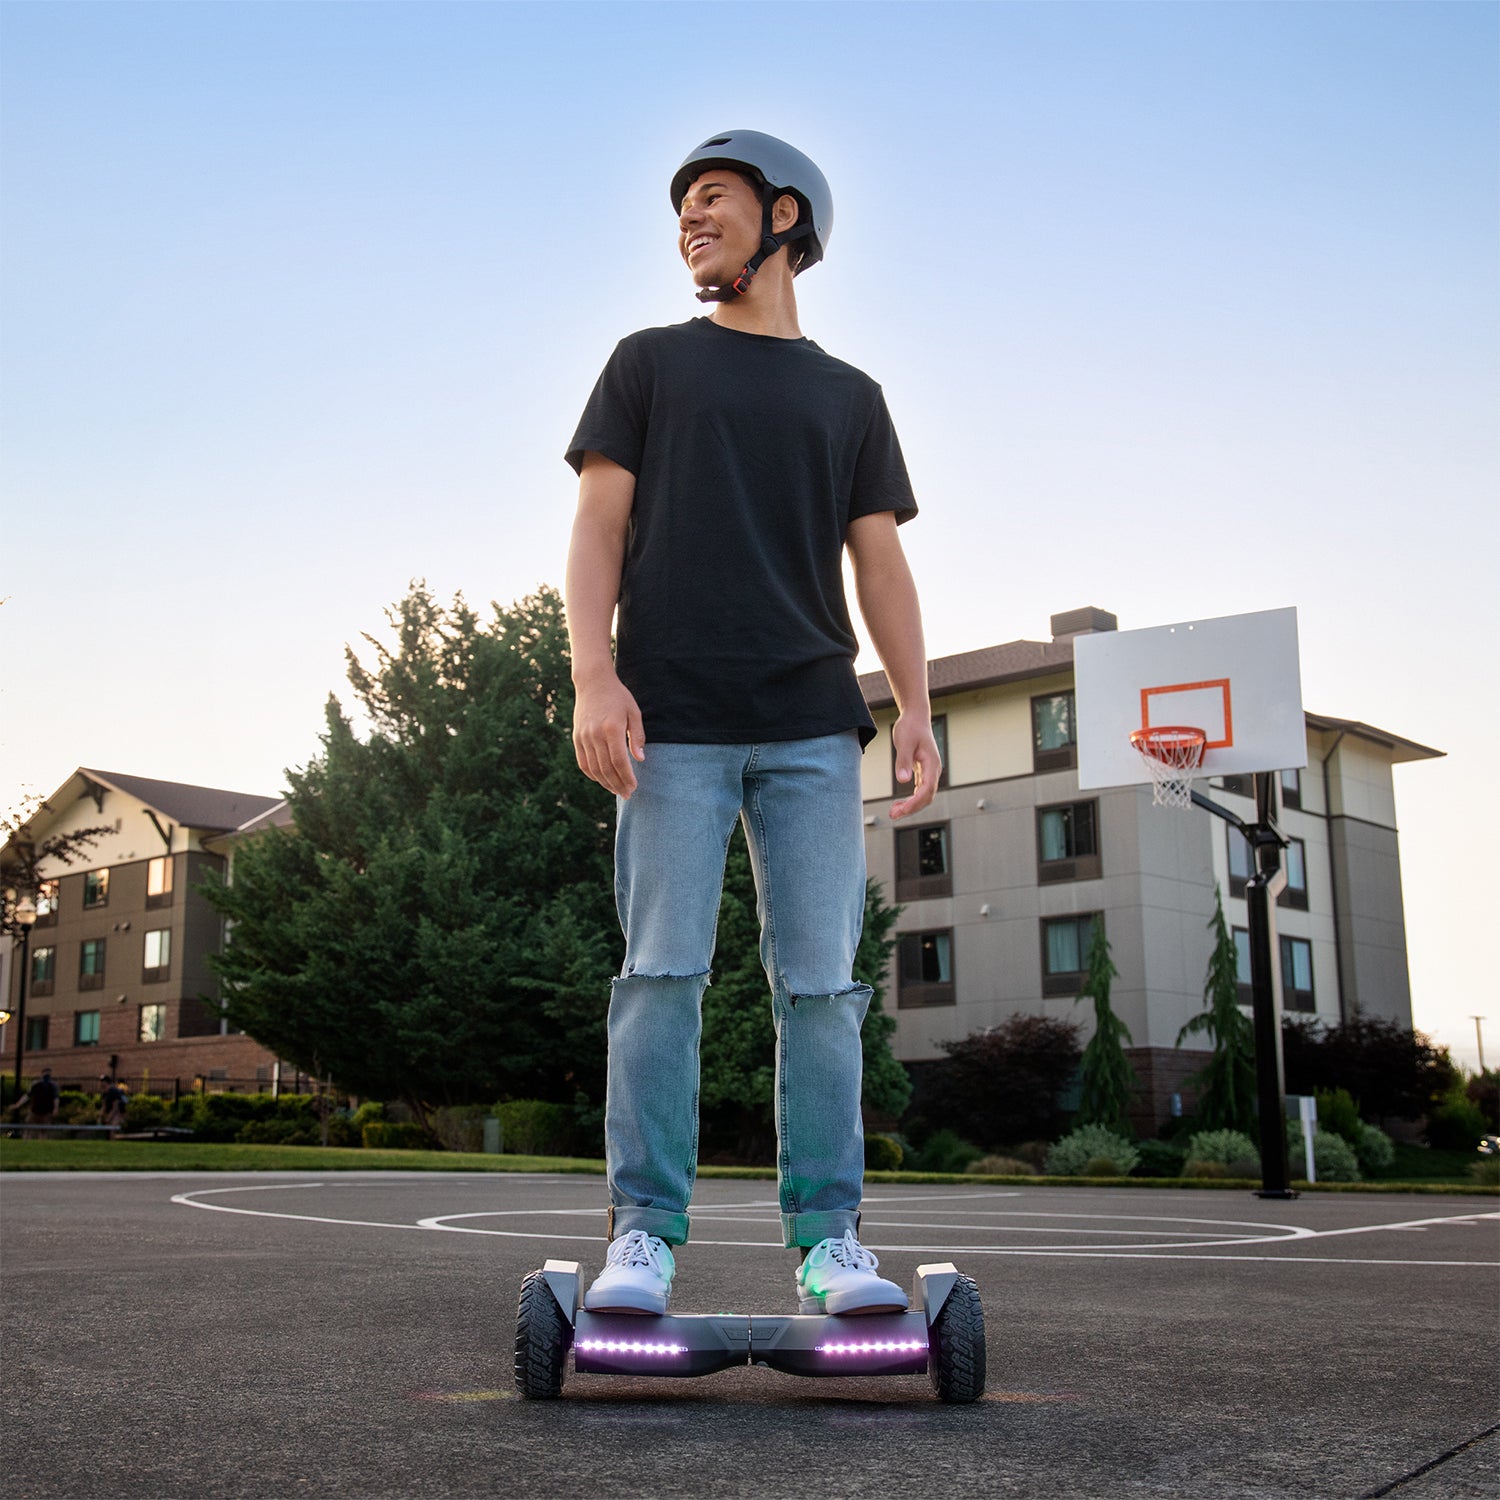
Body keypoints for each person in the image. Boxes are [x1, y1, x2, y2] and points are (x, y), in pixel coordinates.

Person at [564, 130, 940, 1317]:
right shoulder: (649, 365)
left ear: (783, 216)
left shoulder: (849, 397)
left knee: (821, 989)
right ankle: (642, 1239)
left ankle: (832, 1243)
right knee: (661, 974)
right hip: (668, 716)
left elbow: (879, 567)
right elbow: (596, 531)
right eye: (679, 207)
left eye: (711, 197)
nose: (689, 219)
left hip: (811, 727)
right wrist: (592, 674)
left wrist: (917, 705)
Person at [10, 1067, 60, 1138]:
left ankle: (42, 1144)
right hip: (34, 1111)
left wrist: (55, 1109)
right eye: (46, 1073)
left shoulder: (53, 1086)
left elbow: (56, 1098)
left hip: (46, 1112)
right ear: (42, 1074)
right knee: (28, 1127)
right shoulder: (36, 1084)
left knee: (43, 1130)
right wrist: (18, 1104)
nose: (47, 1076)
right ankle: (26, 1141)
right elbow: (27, 1096)